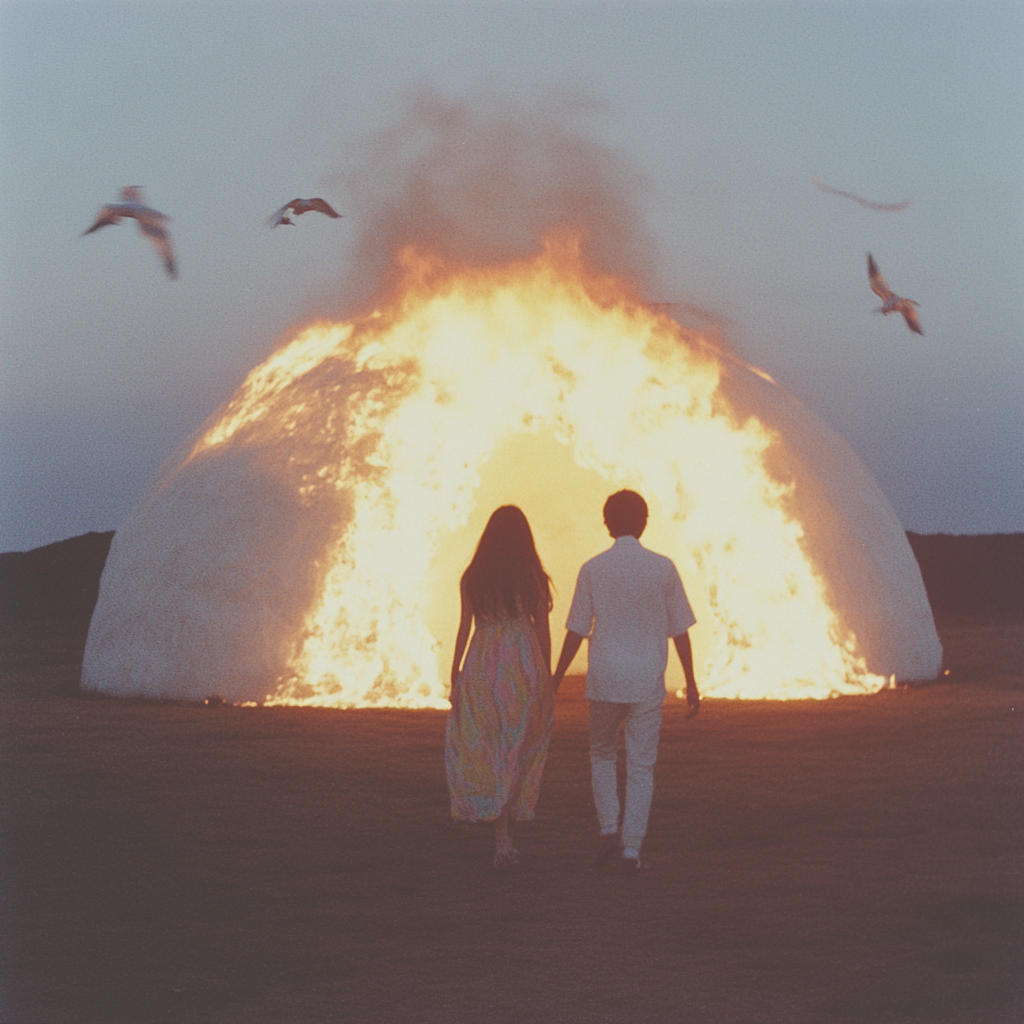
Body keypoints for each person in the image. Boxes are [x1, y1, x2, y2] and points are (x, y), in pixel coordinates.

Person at [551, 489, 699, 873]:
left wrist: (555, 677)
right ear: (645, 522)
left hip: (605, 677)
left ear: (607, 524)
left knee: (601, 753)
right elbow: (680, 629)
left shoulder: (593, 568)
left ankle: (608, 825)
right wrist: (692, 683)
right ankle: (631, 849)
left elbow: (576, 629)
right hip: (647, 679)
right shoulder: (663, 568)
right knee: (641, 765)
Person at [446, 505, 554, 870]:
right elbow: (542, 628)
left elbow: (465, 626)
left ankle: (501, 835)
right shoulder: (532, 577)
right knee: (516, 743)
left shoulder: (474, 576)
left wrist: (456, 670)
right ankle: (505, 837)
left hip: (483, 661)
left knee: (489, 744)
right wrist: (547, 675)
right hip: (521, 662)